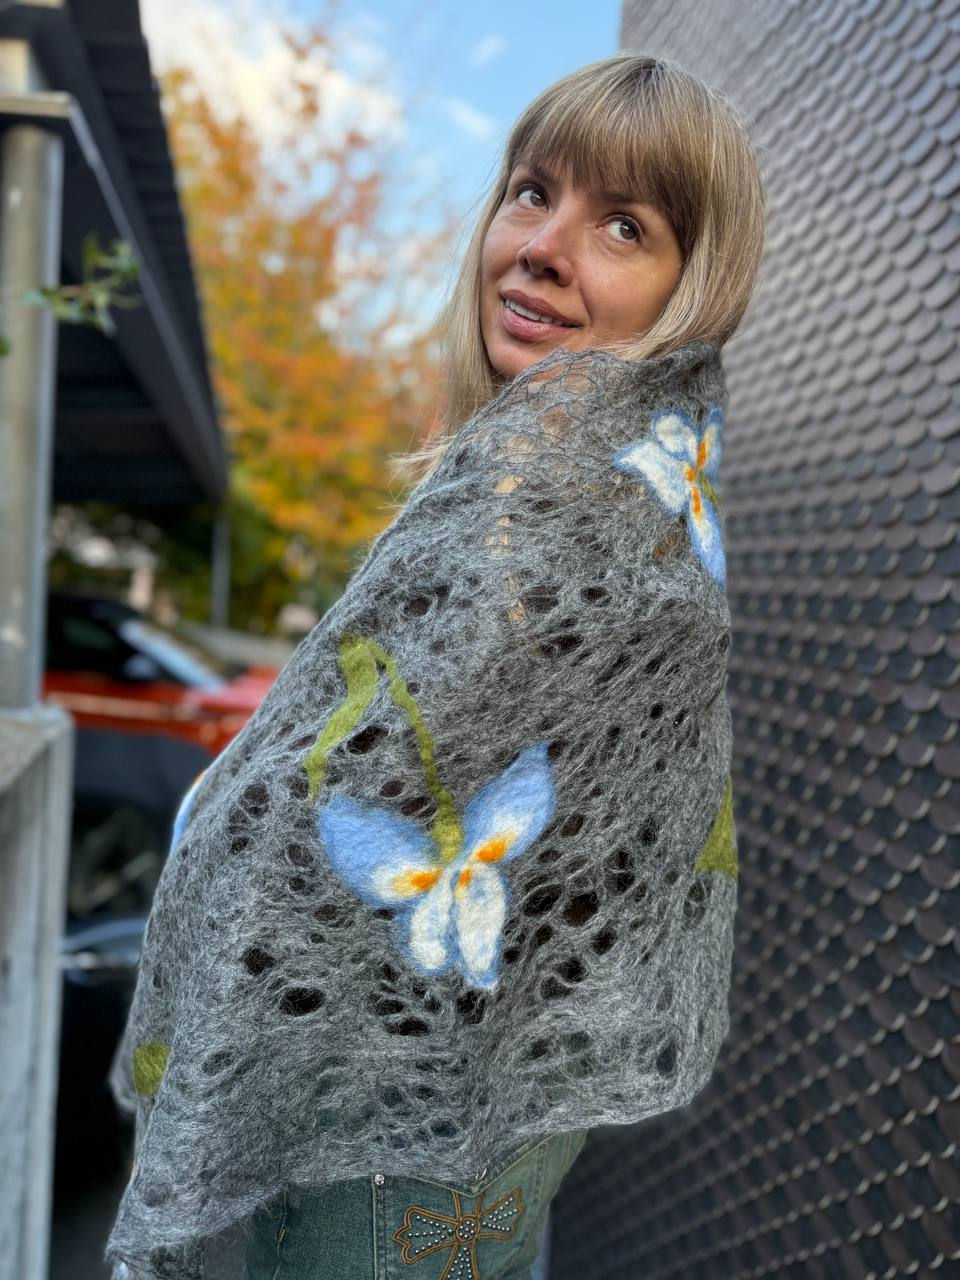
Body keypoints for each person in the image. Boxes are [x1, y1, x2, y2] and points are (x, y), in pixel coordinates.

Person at [105, 50, 765, 1280]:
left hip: (394, 1135)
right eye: (532, 192)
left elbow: (346, 815)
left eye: (624, 225)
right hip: (466, 1112)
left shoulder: (579, 519)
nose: (545, 246)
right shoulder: (610, 501)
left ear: (695, 286)